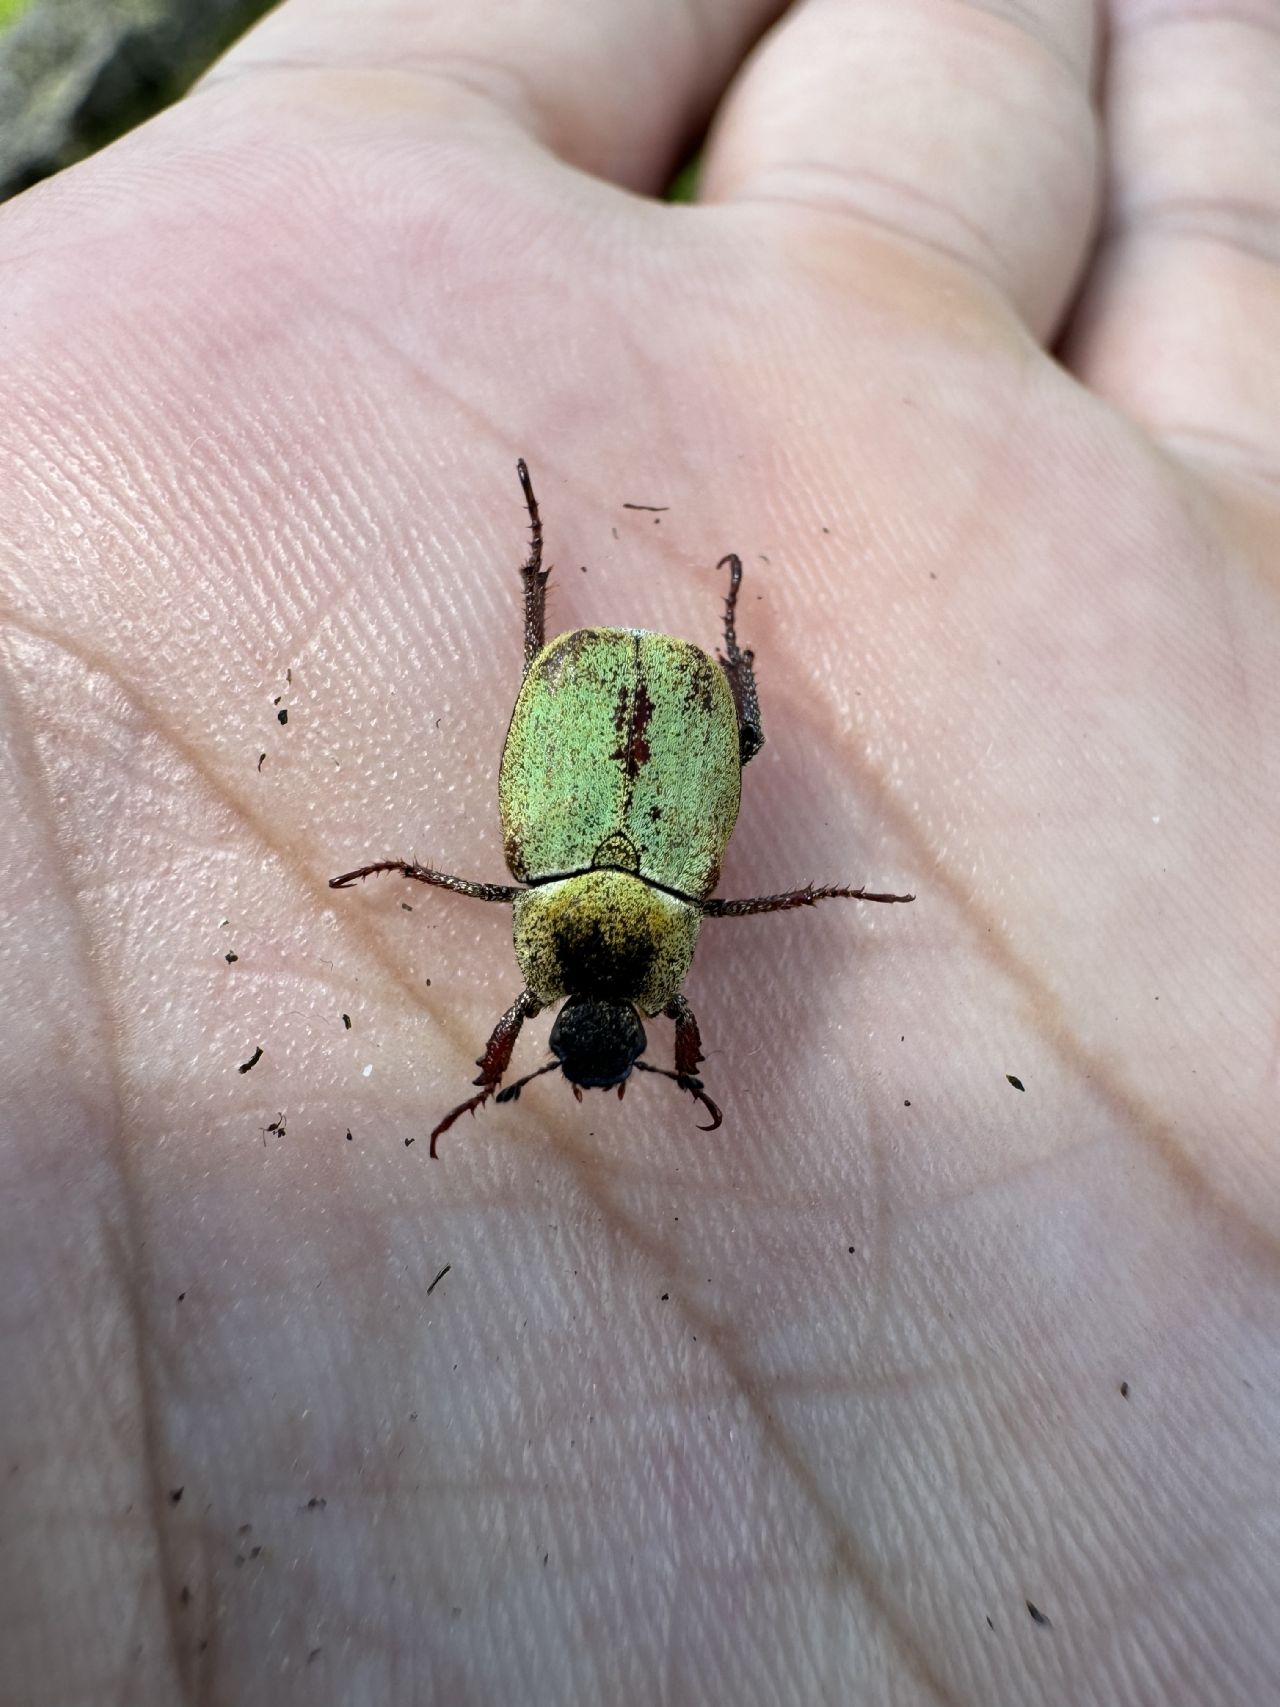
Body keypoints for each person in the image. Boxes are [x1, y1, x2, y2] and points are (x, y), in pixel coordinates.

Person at [1, 2, 1275, 1701]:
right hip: (647, 726)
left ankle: (646, 605)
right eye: (646, 1048)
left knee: (644, 711)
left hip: (623, 719)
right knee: (706, 738)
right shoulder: (585, 926)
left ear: (558, 1005)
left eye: (544, 1045)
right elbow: (695, 938)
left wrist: (554, 1057)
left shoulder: (607, 934)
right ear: (619, 999)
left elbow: (655, 945)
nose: (590, 1038)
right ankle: (683, 619)